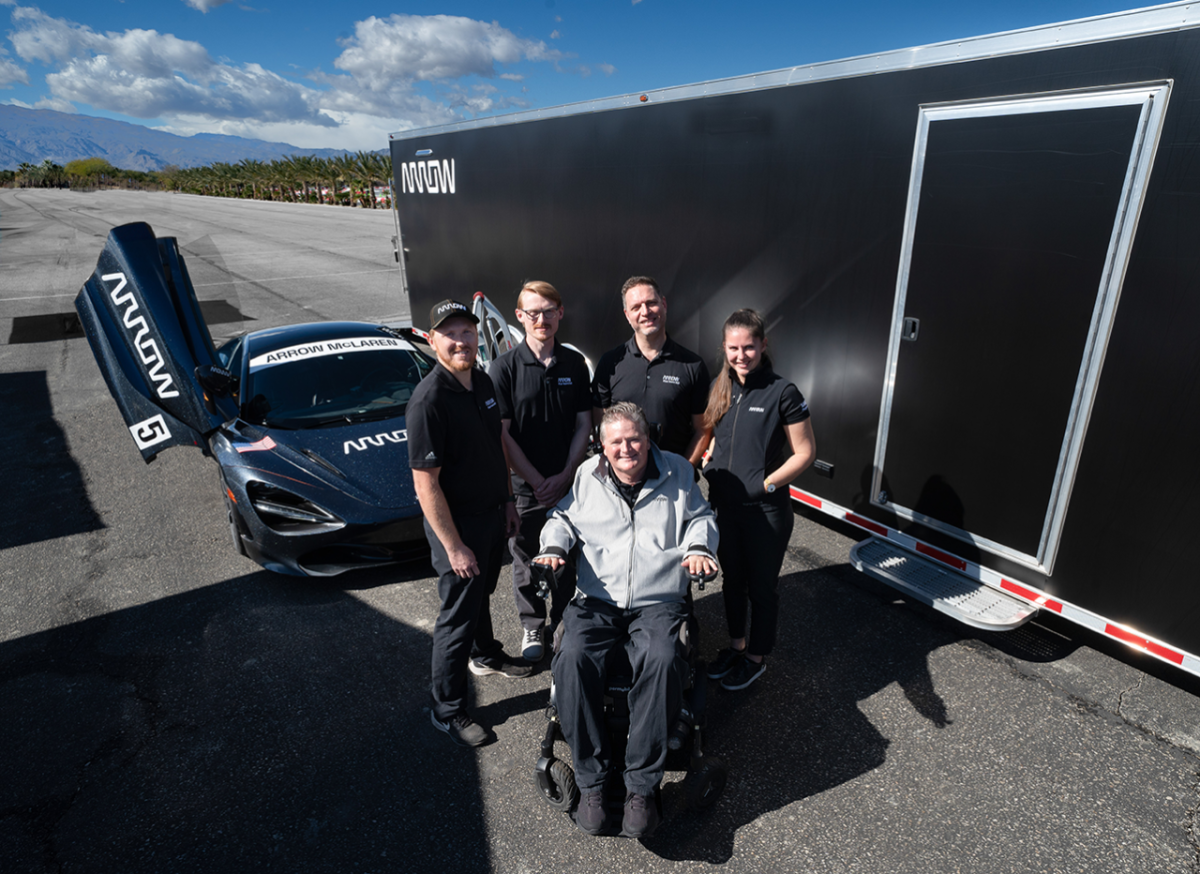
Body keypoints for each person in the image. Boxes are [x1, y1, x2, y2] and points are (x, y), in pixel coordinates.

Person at [534, 402, 718, 838]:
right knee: (572, 656)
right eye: (615, 441)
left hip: (658, 599)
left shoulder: (677, 471)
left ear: (647, 438)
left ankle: (640, 786)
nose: (625, 449)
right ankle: (592, 782)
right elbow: (562, 518)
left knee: (661, 656)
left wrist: (699, 549)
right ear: (603, 445)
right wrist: (554, 546)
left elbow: (701, 518)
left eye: (633, 438)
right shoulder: (587, 475)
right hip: (598, 598)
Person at [406, 298, 531, 749]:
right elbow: (426, 486)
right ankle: (448, 709)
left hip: (491, 514)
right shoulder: (429, 401)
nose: (461, 340)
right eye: (450, 333)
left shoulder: (480, 380)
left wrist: (508, 501)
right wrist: (454, 546)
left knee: (481, 595)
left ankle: (486, 654)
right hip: (454, 528)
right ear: (431, 338)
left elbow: (495, 444)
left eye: (467, 332)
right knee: (457, 616)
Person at [702, 309, 815, 690]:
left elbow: (805, 452)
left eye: (748, 347)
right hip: (725, 509)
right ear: (724, 348)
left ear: (763, 345)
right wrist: (710, 454)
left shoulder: (783, 392)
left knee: (761, 588)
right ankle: (736, 647)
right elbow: (720, 431)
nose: (740, 355)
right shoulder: (723, 386)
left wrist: (766, 484)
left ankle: (756, 658)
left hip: (765, 512)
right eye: (733, 348)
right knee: (732, 582)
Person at [488, 280, 592, 661]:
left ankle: (563, 623)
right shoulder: (503, 369)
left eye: (549, 311)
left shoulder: (575, 365)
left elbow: (585, 425)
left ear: (561, 314)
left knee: (567, 557)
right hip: (526, 488)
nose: (542, 319)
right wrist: (534, 480)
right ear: (520, 317)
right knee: (527, 558)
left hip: (568, 485)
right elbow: (502, 435)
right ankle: (533, 626)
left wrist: (566, 474)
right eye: (533, 312)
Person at [591, 276, 711, 467]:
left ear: (663, 304)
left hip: (673, 480)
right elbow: (601, 426)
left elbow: (702, 430)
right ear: (627, 314)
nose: (645, 312)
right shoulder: (610, 363)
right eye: (636, 307)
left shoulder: (692, 365)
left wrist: (684, 470)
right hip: (621, 479)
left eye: (651, 303)